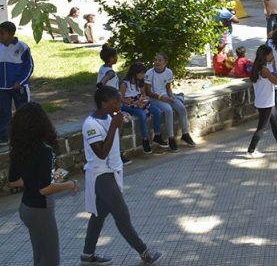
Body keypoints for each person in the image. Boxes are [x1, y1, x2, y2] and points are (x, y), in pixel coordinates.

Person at [80, 87, 162, 265]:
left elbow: (114, 139)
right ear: (104, 103)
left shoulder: (110, 117)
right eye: (115, 102)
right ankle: (144, 252)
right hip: (101, 174)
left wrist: (119, 124)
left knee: (99, 214)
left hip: (113, 171)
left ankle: (87, 254)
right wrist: (114, 126)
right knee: (122, 214)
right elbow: (101, 153)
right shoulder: (90, 124)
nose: (119, 104)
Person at [8, 102, 79, 266]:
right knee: (50, 259)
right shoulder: (44, 150)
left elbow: (14, 182)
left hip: (26, 208)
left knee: (40, 255)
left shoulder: (18, 147)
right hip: (41, 211)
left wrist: (41, 179)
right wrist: (70, 184)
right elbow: (44, 189)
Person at [246, 45, 277, 157]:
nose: (273, 56)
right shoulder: (265, 70)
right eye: (271, 54)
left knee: (275, 123)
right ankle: (251, 151)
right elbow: (276, 82)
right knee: (261, 128)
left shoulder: (257, 68)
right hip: (265, 103)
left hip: (265, 102)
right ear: (265, 56)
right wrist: (275, 68)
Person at [145, 53, 196, 151]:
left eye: (160, 60)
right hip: (155, 98)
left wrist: (171, 96)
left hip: (166, 96)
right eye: (155, 60)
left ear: (165, 62)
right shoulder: (149, 73)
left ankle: (185, 134)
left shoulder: (168, 72)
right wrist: (161, 97)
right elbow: (148, 92)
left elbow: (168, 88)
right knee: (168, 110)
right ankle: (171, 138)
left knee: (181, 108)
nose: (157, 62)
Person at [0, 22, 33, 146]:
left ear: (12, 34)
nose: (0, 36)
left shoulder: (22, 47)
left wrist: (21, 81)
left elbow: (29, 66)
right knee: (3, 112)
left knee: (23, 111)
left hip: (19, 87)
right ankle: (3, 136)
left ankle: (25, 135)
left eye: (2, 33)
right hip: (2, 88)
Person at [119, 62, 154, 154]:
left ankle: (155, 136)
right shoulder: (124, 84)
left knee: (153, 110)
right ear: (135, 73)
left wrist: (142, 100)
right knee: (142, 114)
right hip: (128, 104)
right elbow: (120, 98)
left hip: (138, 102)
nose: (143, 75)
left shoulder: (139, 82)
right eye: (141, 73)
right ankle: (145, 139)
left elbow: (144, 95)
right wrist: (132, 102)